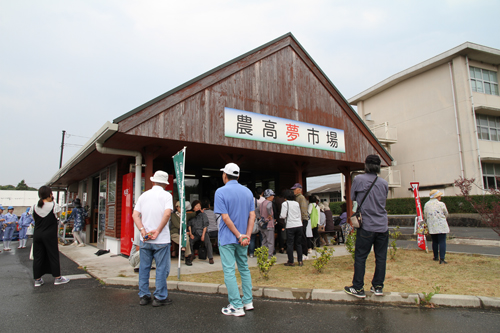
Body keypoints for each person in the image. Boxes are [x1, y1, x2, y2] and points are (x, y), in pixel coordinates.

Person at [344, 154, 389, 299]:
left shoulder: (358, 179)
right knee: (381, 257)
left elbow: (352, 197)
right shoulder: (383, 183)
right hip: (382, 225)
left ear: (366, 166)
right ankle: (378, 286)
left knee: (361, 257)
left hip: (367, 225)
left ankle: (358, 287)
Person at [214, 163, 255, 317]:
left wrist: (238, 235)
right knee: (244, 268)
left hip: (227, 238)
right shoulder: (248, 192)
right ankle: (248, 302)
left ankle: (236, 306)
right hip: (243, 238)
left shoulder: (220, 192)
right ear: (238, 176)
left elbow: (225, 217)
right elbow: (252, 215)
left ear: (225, 175)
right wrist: (246, 235)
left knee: (229, 271)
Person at [132, 170, 173, 307]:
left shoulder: (144, 195)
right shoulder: (166, 196)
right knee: (162, 268)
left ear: (153, 181)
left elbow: (135, 215)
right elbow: (167, 214)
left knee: (144, 267)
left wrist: (143, 230)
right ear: (165, 184)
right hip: (161, 239)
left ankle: (144, 296)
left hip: (146, 239)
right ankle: (159, 297)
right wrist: (158, 230)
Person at [31, 186, 70, 287]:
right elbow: (58, 216)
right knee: (53, 255)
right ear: (49, 195)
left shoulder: (34, 206)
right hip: (50, 234)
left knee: (38, 256)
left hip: (38, 234)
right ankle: (57, 278)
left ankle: (37, 280)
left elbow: (35, 220)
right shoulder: (54, 205)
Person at [424, 190, 450, 264]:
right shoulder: (441, 204)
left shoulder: (426, 204)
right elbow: (446, 213)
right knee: (442, 241)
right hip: (441, 225)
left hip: (432, 225)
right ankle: (442, 258)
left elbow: (425, 215)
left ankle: (435, 256)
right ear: (437, 196)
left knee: (434, 241)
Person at [280, 190, 303, 266]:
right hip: (299, 224)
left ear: (285, 197)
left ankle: (291, 261)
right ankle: (300, 260)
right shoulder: (296, 203)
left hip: (290, 225)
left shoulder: (285, 204)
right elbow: (299, 214)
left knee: (290, 244)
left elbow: (283, 216)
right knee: (298, 244)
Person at [187, 200, 214, 264]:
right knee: (190, 241)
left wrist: (203, 235)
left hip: (203, 232)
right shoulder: (191, 215)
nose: (198, 207)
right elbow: (189, 225)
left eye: (199, 206)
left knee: (208, 242)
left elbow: (205, 225)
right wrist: (190, 234)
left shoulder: (203, 215)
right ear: (193, 207)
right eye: (197, 206)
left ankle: (210, 257)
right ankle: (191, 255)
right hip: (195, 233)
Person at [170, 201, 193, 265]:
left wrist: (199, 211)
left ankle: (183, 251)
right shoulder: (173, 215)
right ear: (177, 207)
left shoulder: (185, 215)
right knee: (185, 238)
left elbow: (193, 214)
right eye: (180, 207)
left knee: (186, 238)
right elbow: (178, 225)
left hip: (183, 233)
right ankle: (187, 257)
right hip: (175, 233)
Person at [291, 183, 309, 261]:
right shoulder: (296, 198)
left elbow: (303, 209)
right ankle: (301, 253)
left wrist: (302, 219)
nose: (293, 191)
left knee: (302, 237)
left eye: (294, 189)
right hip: (299, 220)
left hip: (302, 220)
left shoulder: (301, 198)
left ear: (299, 190)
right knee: (299, 237)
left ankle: (305, 253)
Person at [257, 189, 276, 259]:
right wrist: (270, 214)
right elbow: (268, 208)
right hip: (269, 224)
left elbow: (256, 210)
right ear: (269, 196)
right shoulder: (269, 203)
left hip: (262, 224)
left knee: (264, 241)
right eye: (272, 195)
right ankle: (269, 256)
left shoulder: (262, 203)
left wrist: (259, 217)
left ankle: (263, 255)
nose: (273, 197)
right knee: (270, 241)